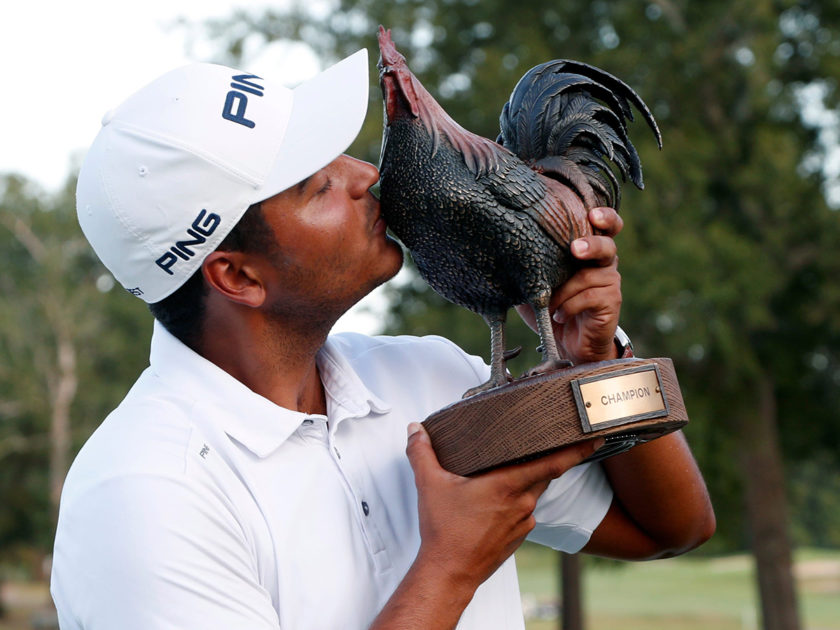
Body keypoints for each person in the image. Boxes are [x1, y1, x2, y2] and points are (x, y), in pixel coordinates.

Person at [51, 48, 714, 629]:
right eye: (319, 186)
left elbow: (671, 528)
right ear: (236, 275)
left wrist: (595, 363)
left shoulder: (430, 379)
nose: (367, 175)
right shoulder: (142, 496)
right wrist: (451, 566)